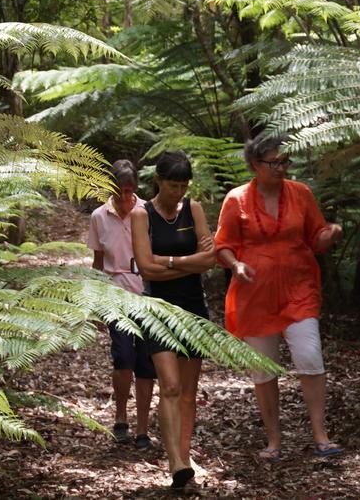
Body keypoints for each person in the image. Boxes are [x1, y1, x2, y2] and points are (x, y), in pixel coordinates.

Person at [214, 135, 345, 461]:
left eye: (286, 161)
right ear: (256, 164)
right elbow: (223, 244)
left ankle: (321, 435)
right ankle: (274, 441)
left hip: (298, 289)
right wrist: (236, 263)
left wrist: (332, 233)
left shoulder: (301, 194)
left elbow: (317, 238)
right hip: (255, 295)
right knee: (264, 369)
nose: (283, 168)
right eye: (275, 163)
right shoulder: (237, 199)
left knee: (310, 356)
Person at [130, 151, 216, 491]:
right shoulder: (142, 214)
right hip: (159, 310)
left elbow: (209, 260)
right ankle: (176, 464)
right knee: (169, 385)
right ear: (158, 181)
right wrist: (185, 261)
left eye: (183, 185)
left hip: (193, 307)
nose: (177, 192)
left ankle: (185, 462)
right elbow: (146, 268)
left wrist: (168, 262)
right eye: (172, 185)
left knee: (188, 393)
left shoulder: (193, 209)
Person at [87, 159, 156, 449]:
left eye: (130, 191)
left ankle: (142, 428)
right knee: (123, 357)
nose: (126, 198)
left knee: (146, 362)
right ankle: (120, 418)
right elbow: (97, 263)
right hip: (115, 294)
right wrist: (94, 303)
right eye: (120, 192)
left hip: (148, 293)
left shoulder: (147, 212)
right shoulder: (99, 216)